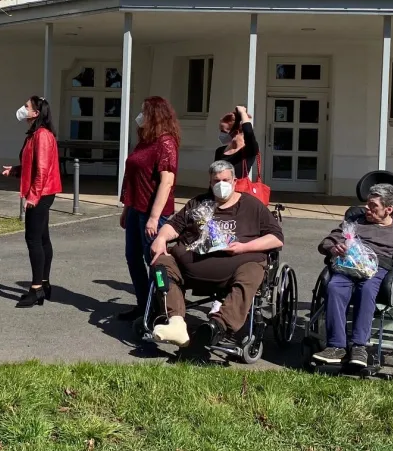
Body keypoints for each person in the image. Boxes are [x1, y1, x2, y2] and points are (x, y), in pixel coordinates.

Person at [148, 160, 284, 348]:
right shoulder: (198, 203)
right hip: (190, 267)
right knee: (161, 263)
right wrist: (161, 238)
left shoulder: (252, 206)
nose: (221, 185)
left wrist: (244, 247)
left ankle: (218, 326)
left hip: (236, 266)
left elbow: (276, 238)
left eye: (226, 180)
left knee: (253, 271)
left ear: (235, 181)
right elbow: (174, 225)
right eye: (216, 181)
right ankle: (176, 323)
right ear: (210, 183)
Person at [314, 183, 393, 370]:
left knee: (366, 290)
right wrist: (334, 248)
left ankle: (359, 346)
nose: (367, 208)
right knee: (334, 287)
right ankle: (336, 347)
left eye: (373, 206)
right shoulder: (356, 222)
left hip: (378, 269)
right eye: (367, 203)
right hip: (349, 266)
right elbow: (327, 241)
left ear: (388, 209)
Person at [118, 95, 180, 321]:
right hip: (136, 208)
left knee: (154, 260)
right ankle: (144, 304)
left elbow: (166, 182)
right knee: (132, 257)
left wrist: (154, 218)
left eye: (144, 111)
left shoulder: (166, 143)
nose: (140, 116)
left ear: (154, 114)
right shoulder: (145, 141)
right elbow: (132, 177)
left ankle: (162, 309)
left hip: (153, 213)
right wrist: (127, 208)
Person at [2, 96, 62, 308]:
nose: (23, 108)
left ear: (36, 113)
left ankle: (36, 288)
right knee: (42, 237)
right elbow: (33, 165)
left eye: (26, 106)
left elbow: (43, 170)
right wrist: (15, 171)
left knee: (33, 239)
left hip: (42, 193)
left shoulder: (42, 135)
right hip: (43, 191)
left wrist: (34, 197)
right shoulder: (35, 134)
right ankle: (44, 284)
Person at [215, 105, 259, 181]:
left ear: (236, 132)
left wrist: (242, 112)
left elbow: (248, 132)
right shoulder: (220, 151)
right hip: (220, 191)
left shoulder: (249, 150)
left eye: (224, 131)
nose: (221, 134)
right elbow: (215, 176)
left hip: (238, 191)